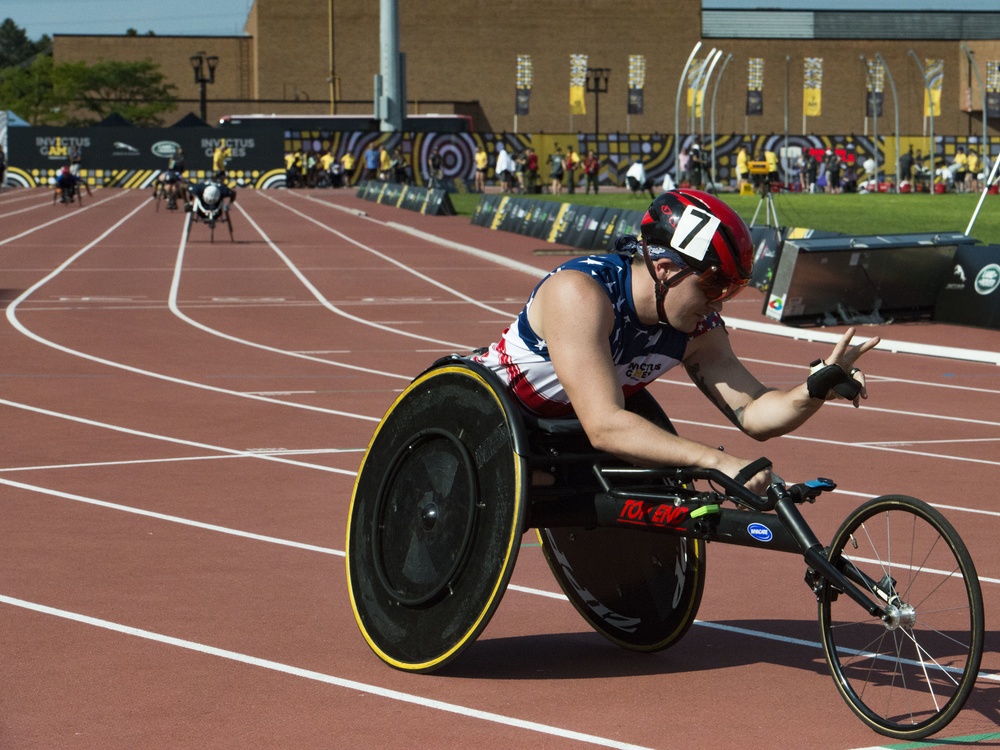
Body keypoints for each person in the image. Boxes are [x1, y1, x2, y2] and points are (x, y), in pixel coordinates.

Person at [473, 189, 879, 495]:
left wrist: (814, 390)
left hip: (560, 440)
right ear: (664, 268)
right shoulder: (580, 294)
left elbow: (754, 413)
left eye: (732, 290)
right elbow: (605, 426)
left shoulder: (694, 329)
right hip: (480, 422)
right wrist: (716, 461)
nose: (718, 303)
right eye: (714, 285)